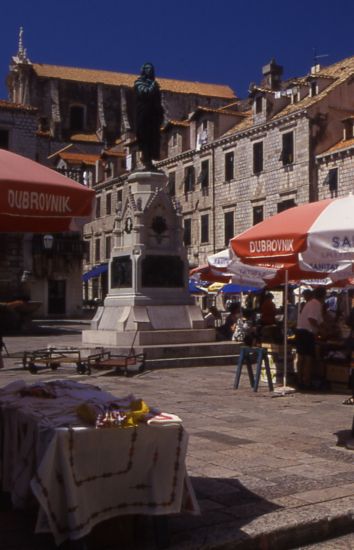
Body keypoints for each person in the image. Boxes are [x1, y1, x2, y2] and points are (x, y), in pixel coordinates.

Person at [134, 62, 164, 170]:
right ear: (143, 70)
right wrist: (153, 86)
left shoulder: (154, 84)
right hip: (143, 116)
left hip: (153, 117)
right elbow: (144, 93)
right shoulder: (139, 82)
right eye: (147, 68)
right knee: (145, 139)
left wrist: (160, 115)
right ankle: (146, 160)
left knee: (153, 139)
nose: (150, 70)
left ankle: (149, 161)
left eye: (151, 69)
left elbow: (158, 102)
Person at [295, 286, 326, 389]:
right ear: (323, 296)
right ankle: (306, 381)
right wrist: (320, 330)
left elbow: (320, 320)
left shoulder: (311, 303)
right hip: (306, 333)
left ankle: (299, 379)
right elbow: (312, 319)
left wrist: (326, 327)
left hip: (300, 331)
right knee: (307, 358)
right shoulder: (316, 304)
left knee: (301, 357)